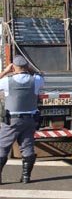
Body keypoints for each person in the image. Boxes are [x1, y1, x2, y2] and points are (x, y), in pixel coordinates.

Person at [0, 55, 45, 184]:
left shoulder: (7, 81)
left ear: (13, 67)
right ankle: (26, 177)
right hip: (30, 119)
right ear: (26, 66)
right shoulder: (35, 80)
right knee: (27, 146)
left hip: (12, 120)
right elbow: (41, 77)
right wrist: (30, 69)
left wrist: (6, 71)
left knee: (2, 147)